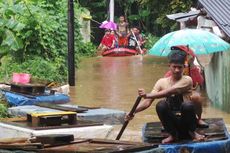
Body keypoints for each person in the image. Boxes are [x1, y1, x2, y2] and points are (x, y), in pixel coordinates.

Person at [125, 49, 205, 144]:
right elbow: (147, 102)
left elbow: (169, 91)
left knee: (187, 105)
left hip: (187, 120)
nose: (177, 70)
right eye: (174, 67)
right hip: (172, 121)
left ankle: (192, 132)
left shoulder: (187, 80)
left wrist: (147, 95)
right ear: (169, 66)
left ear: (184, 67)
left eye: (179, 67)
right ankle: (173, 134)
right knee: (161, 105)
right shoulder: (161, 82)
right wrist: (132, 112)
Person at [164, 46, 208, 128]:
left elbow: (200, 81)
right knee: (165, 101)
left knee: (196, 97)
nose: (177, 69)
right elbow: (165, 83)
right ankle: (168, 121)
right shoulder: (173, 70)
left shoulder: (192, 68)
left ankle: (198, 118)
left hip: (188, 94)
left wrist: (191, 66)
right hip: (175, 94)